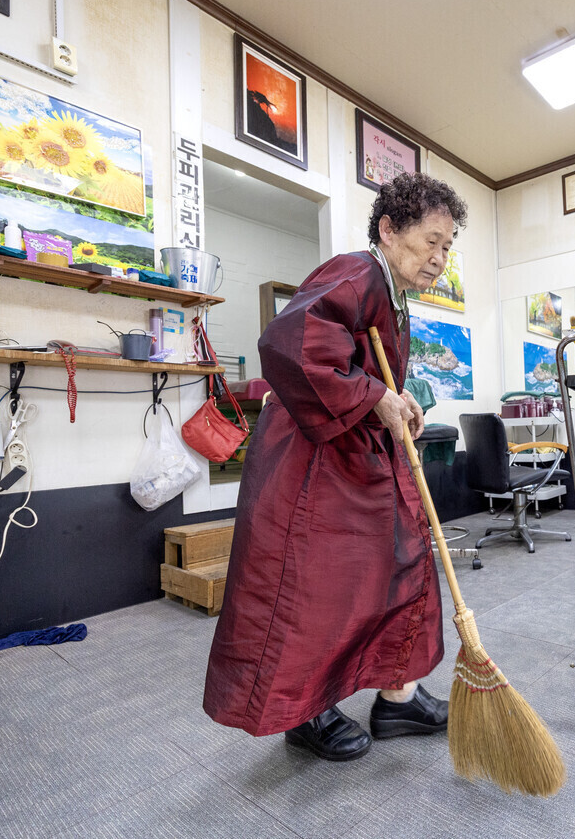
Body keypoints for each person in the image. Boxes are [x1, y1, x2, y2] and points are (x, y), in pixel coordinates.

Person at [203, 172, 469, 759]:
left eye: (448, 246)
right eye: (431, 241)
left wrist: (398, 402)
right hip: (312, 466)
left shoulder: (393, 296)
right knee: (317, 584)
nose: (439, 258)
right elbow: (292, 343)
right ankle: (306, 709)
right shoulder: (355, 272)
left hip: (357, 459)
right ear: (389, 229)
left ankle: (397, 699)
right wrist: (378, 398)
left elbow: (362, 372)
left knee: (396, 566)